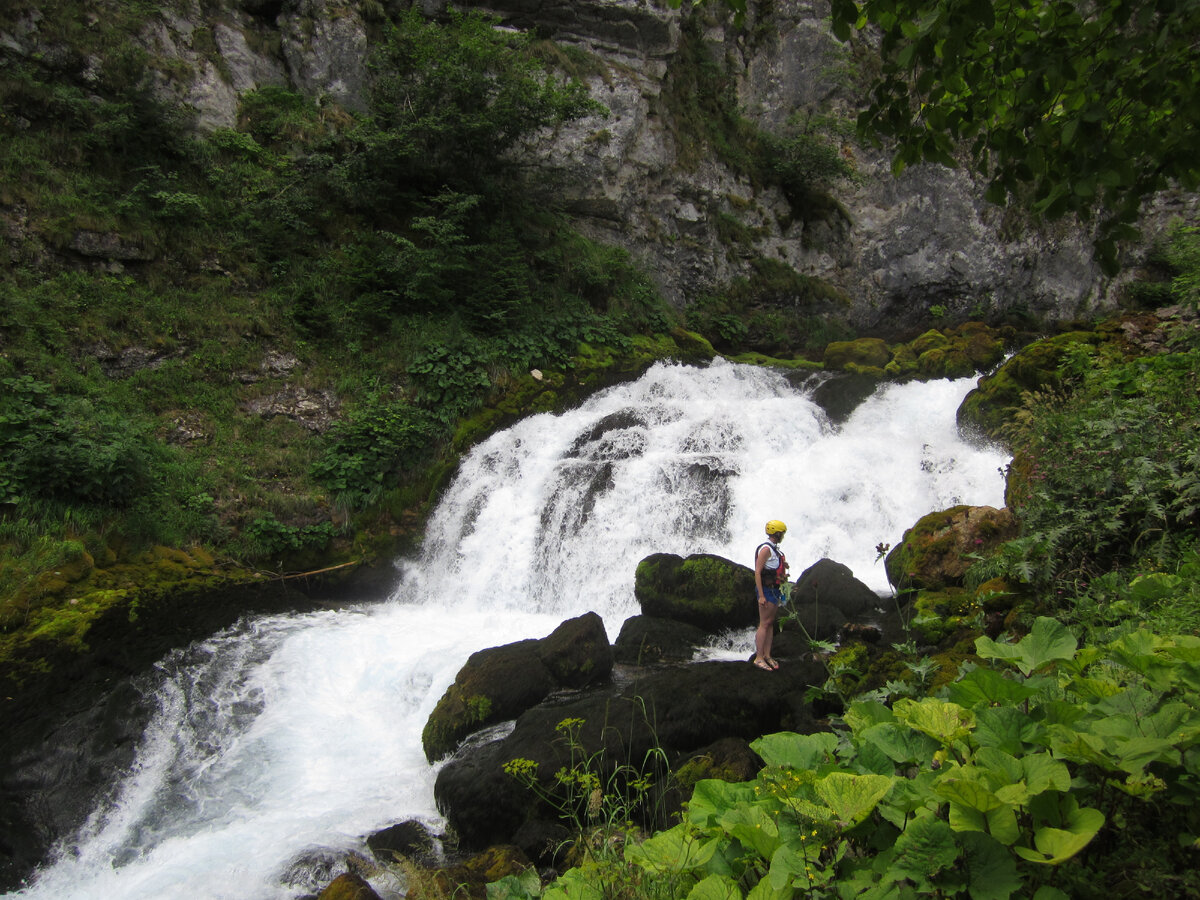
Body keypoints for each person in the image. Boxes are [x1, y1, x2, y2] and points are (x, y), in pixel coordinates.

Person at [753, 520, 789, 671]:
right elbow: (757, 572)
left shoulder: (776, 550)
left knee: (770, 623)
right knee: (764, 623)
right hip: (766, 591)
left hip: (774, 590)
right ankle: (759, 657)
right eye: (782, 534)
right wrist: (761, 595)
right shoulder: (766, 549)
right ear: (777, 533)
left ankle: (767, 655)